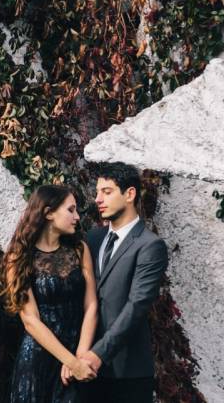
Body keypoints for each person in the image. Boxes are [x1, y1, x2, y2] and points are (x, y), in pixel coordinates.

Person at [64, 162, 168, 403]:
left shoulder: (150, 245)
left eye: (107, 192)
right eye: (97, 192)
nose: (98, 199)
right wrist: (73, 356)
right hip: (84, 367)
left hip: (127, 372)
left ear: (129, 194)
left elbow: (136, 306)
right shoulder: (92, 238)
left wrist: (98, 354)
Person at [1, 184, 99, 402]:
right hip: (37, 360)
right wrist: (71, 362)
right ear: (48, 213)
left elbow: (91, 305)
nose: (77, 217)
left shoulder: (79, 249)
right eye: (71, 210)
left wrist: (79, 358)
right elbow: (30, 321)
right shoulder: (19, 257)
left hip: (77, 353)